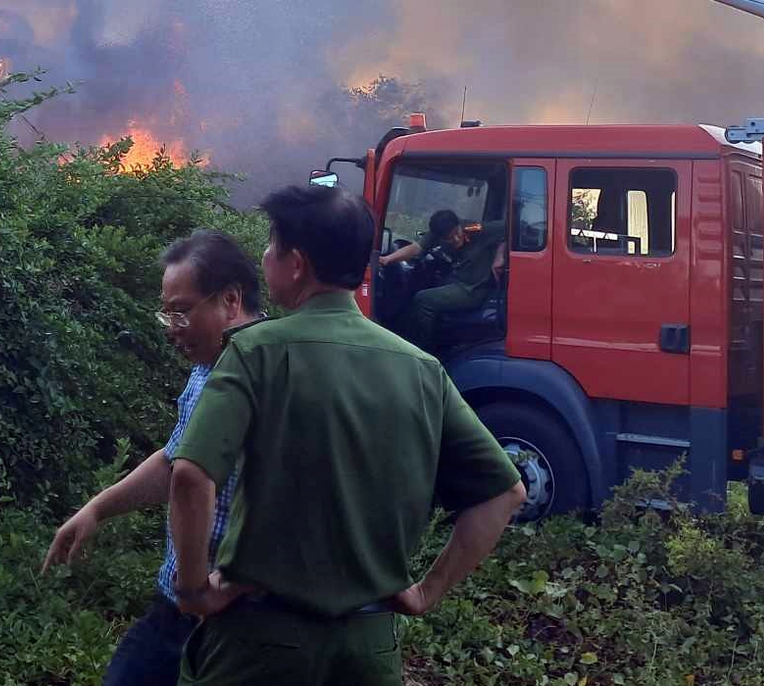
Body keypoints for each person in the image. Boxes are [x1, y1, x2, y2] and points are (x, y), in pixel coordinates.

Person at [166, 184, 526, 686]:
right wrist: (426, 591)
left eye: (272, 248)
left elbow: (189, 475)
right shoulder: (422, 369)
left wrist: (192, 590)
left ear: (296, 264)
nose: (265, 258)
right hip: (370, 651)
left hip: (258, 647)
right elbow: (506, 493)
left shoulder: (255, 352)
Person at [43, 229, 263, 686]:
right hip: (179, 606)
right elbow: (173, 460)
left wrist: (209, 585)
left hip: (236, 619)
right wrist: (98, 509)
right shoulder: (208, 368)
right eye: (166, 314)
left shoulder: (274, 371)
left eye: (181, 312)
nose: (172, 331)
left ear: (230, 299)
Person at [384, 208, 508, 351]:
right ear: (440, 237)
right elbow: (416, 248)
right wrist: (387, 259)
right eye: (449, 238)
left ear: (459, 226)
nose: (455, 239)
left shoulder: (474, 228)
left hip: (472, 288)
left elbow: (510, 229)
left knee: (422, 300)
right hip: (456, 280)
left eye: (457, 233)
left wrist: (500, 256)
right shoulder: (437, 233)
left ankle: (420, 349)